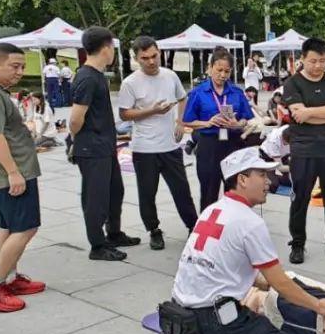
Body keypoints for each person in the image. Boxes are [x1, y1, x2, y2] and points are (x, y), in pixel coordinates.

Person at [148, 147, 325, 334]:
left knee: (226, 326)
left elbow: (225, 265)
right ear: (242, 179)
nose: (269, 182)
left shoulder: (211, 211)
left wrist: (262, 283)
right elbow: (279, 282)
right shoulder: (250, 222)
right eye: (261, 175)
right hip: (215, 318)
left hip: (180, 309)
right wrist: (319, 305)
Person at [0, 44, 47, 312]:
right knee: (25, 228)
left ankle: (10, 277)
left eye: (22, 66)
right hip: (13, 173)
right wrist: (13, 172)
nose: (20, 72)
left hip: (13, 171)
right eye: (14, 66)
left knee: (10, 227)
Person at [119, 36, 198, 250]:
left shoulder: (170, 76)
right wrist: (152, 110)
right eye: (145, 58)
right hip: (144, 148)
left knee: (182, 190)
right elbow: (125, 114)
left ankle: (193, 226)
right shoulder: (130, 83)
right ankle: (154, 230)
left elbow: (183, 98)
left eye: (154, 56)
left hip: (170, 146)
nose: (151, 62)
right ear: (136, 59)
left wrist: (180, 122)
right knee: (147, 193)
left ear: (159, 52)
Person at [70, 27, 140, 261]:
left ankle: (114, 232)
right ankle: (97, 245)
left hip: (105, 146)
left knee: (114, 192)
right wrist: (79, 140)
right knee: (95, 198)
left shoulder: (97, 75)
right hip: (92, 148)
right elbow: (75, 118)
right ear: (107, 48)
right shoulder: (87, 77)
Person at [281, 38, 325, 263]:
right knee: (300, 199)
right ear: (302, 59)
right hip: (303, 150)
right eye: (313, 61)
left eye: (323, 61)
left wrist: (309, 114)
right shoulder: (292, 83)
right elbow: (299, 114)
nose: (318, 66)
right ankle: (298, 244)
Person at [182, 48, 254, 212]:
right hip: (209, 145)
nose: (223, 75)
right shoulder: (198, 93)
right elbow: (188, 121)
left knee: (235, 190)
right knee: (209, 191)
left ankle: (233, 227)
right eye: (219, 70)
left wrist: (238, 124)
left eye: (227, 71)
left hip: (233, 144)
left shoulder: (236, 92)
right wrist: (208, 123)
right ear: (210, 68)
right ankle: (206, 229)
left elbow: (246, 118)